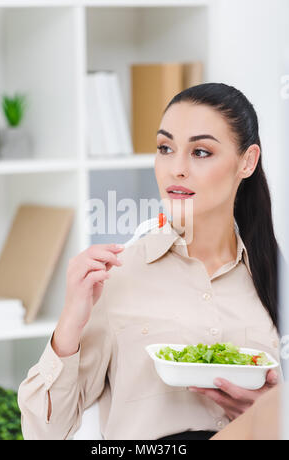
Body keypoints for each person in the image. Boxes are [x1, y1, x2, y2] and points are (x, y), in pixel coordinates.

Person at [18, 83, 282, 440]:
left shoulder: (275, 280)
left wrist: (271, 412)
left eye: (201, 152)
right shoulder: (115, 277)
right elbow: (43, 433)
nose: (176, 168)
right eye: (165, 148)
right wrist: (70, 322)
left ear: (247, 161)